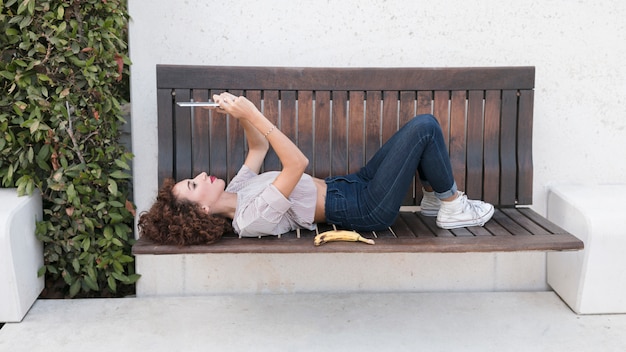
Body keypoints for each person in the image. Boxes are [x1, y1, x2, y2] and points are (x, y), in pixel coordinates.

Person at [138, 92, 494, 245]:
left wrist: (236, 114)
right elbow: (297, 164)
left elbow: (258, 147)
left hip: (352, 185)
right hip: (364, 209)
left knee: (419, 133)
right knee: (425, 127)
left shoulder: (237, 190)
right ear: (202, 208)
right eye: (193, 183)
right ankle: (452, 205)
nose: (201, 175)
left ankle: (436, 201)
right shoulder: (248, 219)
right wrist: (253, 114)